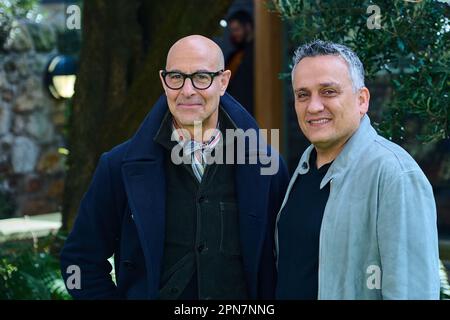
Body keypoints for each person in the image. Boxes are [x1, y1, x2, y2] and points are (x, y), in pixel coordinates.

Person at [60, 35, 289, 300]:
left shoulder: (266, 167)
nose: (187, 90)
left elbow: (288, 262)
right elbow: (78, 261)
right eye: (176, 77)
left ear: (223, 81)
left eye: (202, 77)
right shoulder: (117, 167)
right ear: (163, 81)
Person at [275, 40, 440, 299]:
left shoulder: (395, 174)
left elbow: (412, 292)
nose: (313, 106)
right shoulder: (305, 166)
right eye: (303, 94)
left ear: (362, 100)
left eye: (328, 91)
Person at [225, 10, 254, 115]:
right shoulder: (234, 55)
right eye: (232, 30)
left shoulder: (258, 54)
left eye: (237, 29)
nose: (234, 34)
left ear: (248, 27)